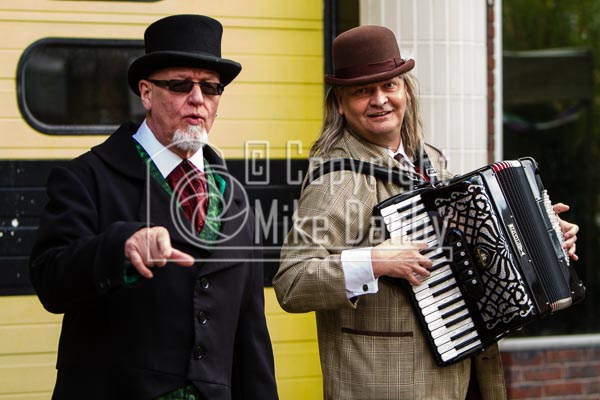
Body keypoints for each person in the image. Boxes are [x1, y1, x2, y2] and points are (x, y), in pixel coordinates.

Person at [273, 25, 579, 400]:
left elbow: (481, 249)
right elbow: (292, 281)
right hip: (387, 386)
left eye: (389, 86)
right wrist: (373, 262)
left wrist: (545, 238)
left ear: (405, 90)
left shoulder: (430, 162)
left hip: (462, 377)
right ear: (340, 103)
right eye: (362, 91)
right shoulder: (337, 180)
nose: (380, 100)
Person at [29, 15, 278, 400]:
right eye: (180, 85)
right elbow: (50, 280)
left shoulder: (234, 196)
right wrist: (118, 249)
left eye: (211, 88)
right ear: (146, 93)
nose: (198, 99)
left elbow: (251, 333)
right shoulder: (85, 177)